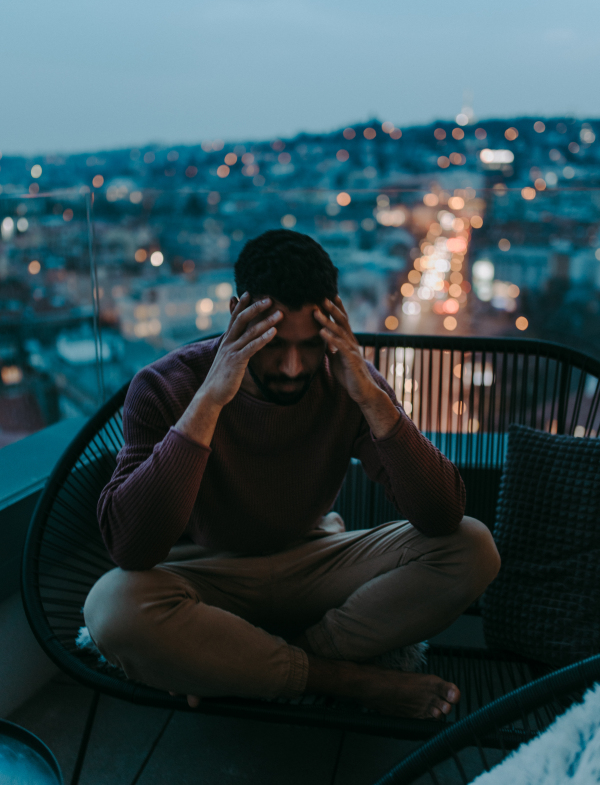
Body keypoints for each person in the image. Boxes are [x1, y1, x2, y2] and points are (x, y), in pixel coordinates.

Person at [84, 229, 500, 719]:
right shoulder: (164, 386)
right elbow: (131, 547)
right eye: (274, 343)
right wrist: (211, 399)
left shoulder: (346, 380)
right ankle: (347, 680)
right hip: (206, 577)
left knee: (473, 547)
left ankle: (242, 668)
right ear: (238, 313)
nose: (292, 366)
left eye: (310, 346)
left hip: (313, 563)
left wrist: (368, 396)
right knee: (110, 608)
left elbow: (442, 514)